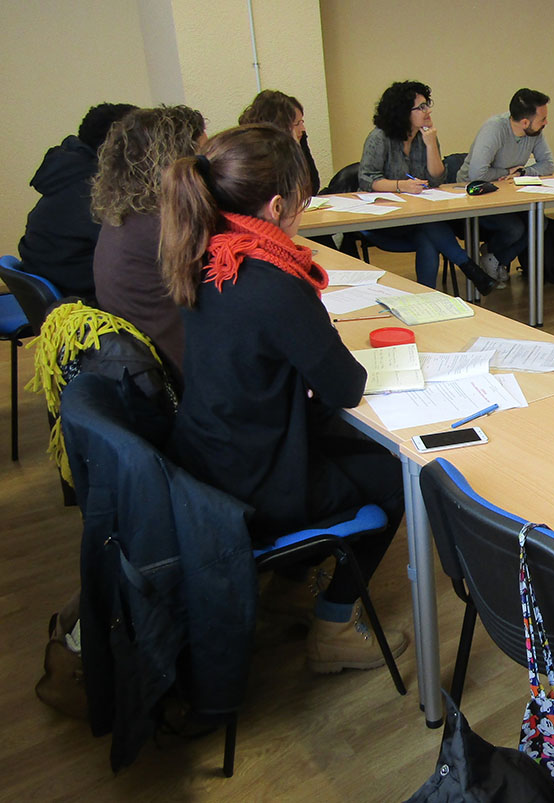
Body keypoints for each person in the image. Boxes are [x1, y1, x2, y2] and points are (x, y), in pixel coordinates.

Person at [160, 124, 409, 673]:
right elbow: (346, 385)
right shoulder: (271, 279)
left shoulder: (206, 252)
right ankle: (335, 628)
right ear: (276, 206)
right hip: (256, 478)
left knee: (344, 445)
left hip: (210, 458)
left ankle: (285, 588)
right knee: (394, 477)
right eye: (303, 200)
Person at [91, 105, 206, 383]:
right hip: (187, 375)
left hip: (156, 362)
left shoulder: (126, 215)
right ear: (180, 161)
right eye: (202, 155)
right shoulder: (165, 227)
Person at [358, 80, 497, 293]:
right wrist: (399, 186)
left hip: (417, 217)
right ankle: (469, 267)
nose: (427, 111)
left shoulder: (426, 136)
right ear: (403, 112)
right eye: (421, 107)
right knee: (429, 227)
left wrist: (431, 145)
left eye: (427, 105)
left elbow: (436, 180)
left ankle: (428, 296)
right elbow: (367, 179)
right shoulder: (380, 138)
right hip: (384, 219)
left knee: (427, 235)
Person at [17, 102, 136, 299]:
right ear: (121, 147)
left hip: (64, 285)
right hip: (84, 301)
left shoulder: (70, 173)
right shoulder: (91, 191)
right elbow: (132, 251)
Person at [458, 88, 554, 287]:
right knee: (514, 228)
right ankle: (494, 259)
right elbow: (477, 175)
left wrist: (522, 173)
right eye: (542, 119)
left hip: (507, 193)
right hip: (475, 194)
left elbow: (548, 165)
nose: (546, 123)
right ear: (525, 122)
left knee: (540, 223)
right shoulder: (494, 129)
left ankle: (494, 258)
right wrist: (506, 172)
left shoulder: (534, 133)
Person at [238, 89, 321, 196]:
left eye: (302, 122)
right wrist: (292, 149)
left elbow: (312, 186)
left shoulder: (299, 138)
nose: (302, 128)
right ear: (280, 126)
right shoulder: (251, 149)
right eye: (297, 124)